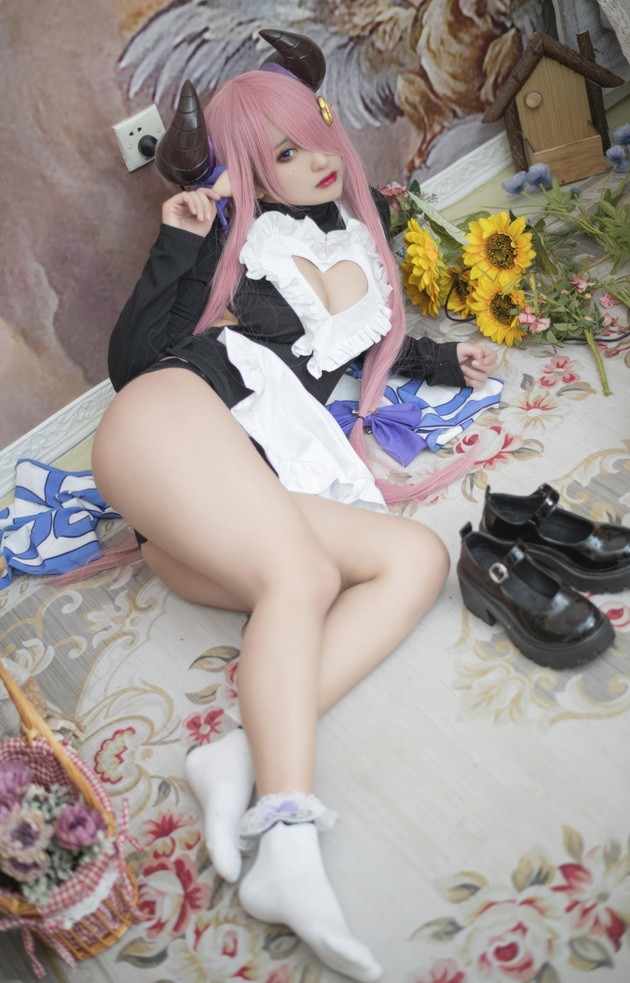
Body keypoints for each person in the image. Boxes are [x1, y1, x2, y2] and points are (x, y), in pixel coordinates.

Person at [92, 32, 497, 982]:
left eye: (315, 130)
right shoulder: (236, 241)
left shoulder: (358, 227)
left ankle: (239, 752)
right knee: (304, 578)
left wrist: (445, 360)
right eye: (283, 152)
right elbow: (132, 366)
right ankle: (287, 835)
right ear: (250, 171)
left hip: (223, 502)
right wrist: (179, 236)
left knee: (415, 558)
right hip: (171, 421)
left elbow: (345, 348)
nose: (317, 157)